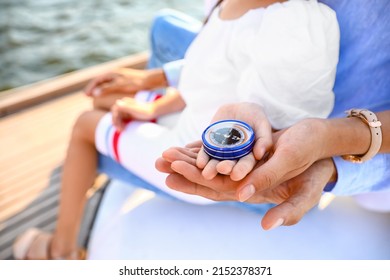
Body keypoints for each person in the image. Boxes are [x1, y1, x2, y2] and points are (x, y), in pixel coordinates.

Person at [13, 0, 340, 259]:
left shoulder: (292, 24)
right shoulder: (230, 6)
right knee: (107, 103)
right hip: (193, 118)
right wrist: (153, 108)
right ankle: (103, 160)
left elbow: (276, 125)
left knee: (85, 124)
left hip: (201, 156)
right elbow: (209, 77)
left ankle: (62, 250)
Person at [156, 0, 390, 229]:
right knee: (162, 27)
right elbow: (225, 48)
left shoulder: (299, 25)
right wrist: (166, 83)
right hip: (263, 102)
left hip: (296, 154)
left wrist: (328, 157)